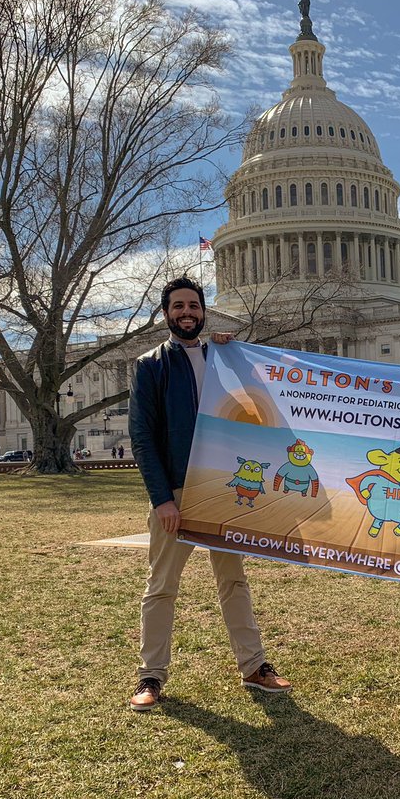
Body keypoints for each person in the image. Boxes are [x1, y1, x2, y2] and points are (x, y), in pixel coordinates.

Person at [128, 275, 291, 712]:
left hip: (225, 488)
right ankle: (151, 675)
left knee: (233, 580)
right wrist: (162, 498)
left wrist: (234, 351)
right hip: (178, 490)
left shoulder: (224, 357)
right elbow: (142, 437)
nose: (187, 313)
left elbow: (262, 399)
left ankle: (255, 667)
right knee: (161, 585)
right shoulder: (151, 365)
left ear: (203, 312)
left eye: (194, 307)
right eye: (178, 307)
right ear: (166, 314)